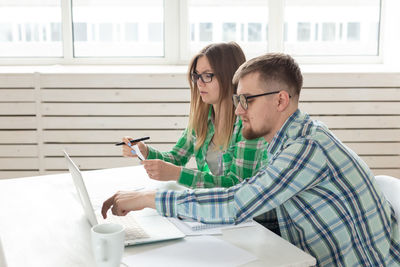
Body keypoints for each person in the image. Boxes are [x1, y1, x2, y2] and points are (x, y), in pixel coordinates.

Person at [102, 53, 400, 266]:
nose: (239, 109)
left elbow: (237, 202)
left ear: (281, 100)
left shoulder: (306, 147)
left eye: (247, 100)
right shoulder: (285, 143)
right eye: (237, 99)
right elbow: (261, 203)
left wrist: (148, 198)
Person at [121, 42, 268, 188]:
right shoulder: (202, 120)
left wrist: (178, 174)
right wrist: (144, 151)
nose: (199, 83)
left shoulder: (249, 124)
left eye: (207, 75)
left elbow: (237, 185)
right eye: (196, 75)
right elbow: (176, 158)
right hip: (215, 204)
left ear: (230, 76)